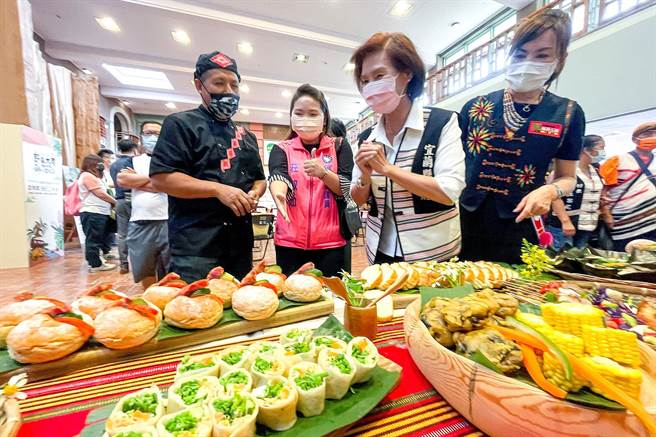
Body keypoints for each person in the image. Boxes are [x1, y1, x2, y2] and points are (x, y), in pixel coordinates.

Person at [458, 9, 585, 263]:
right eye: (521, 54)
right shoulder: (475, 107)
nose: (528, 62)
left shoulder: (567, 113)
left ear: (560, 59)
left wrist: (549, 191)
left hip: (521, 225)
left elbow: (568, 177)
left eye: (542, 55)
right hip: (465, 223)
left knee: (512, 293)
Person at [349, 32, 466, 264]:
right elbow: (358, 199)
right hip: (379, 251)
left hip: (433, 256)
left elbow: (449, 192)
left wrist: (388, 169)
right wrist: (364, 176)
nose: (371, 86)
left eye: (379, 75)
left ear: (407, 74)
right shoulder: (367, 137)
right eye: (365, 81)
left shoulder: (441, 123)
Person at [150, 51, 266, 281]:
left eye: (234, 85)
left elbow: (259, 178)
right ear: (199, 85)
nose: (229, 91)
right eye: (219, 83)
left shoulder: (247, 136)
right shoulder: (180, 124)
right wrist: (217, 189)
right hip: (196, 247)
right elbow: (161, 177)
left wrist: (254, 193)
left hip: (240, 244)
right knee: (198, 308)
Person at [268, 84, 354, 276]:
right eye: (299, 113)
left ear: (324, 119)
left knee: (333, 299)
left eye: (313, 114)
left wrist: (323, 173)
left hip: (331, 243)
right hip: (290, 243)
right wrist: (280, 192)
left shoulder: (339, 146)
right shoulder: (281, 148)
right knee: (292, 298)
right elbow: (278, 174)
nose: (305, 119)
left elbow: (347, 188)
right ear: (291, 117)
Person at [118, 121, 169, 288]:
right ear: (141, 137)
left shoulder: (173, 161)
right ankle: (150, 300)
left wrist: (138, 180)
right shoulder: (133, 161)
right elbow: (123, 179)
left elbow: (175, 185)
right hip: (141, 221)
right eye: (148, 133)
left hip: (169, 220)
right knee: (144, 267)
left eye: (156, 133)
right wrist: (161, 180)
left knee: (171, 270)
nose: (152, 137)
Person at [599, 122, 656, 252]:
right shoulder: (617, 160)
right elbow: (602, 192)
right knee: (629, 257)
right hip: (625, 222)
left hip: (653, 220)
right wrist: (606, 214)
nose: (653, 137)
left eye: (655, 134)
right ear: (635, 139)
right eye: (647, 134)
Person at [547, 135, 605, 251]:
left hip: (587, 225)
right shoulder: (565, 171)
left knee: (579, 259)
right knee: (560, 258)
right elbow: (554, 197)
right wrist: (565, 221)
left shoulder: (595, 171)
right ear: (586, 150)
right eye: (601, 148)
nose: (603, 152)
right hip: (564, 225)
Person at [78, 154, 117, 272]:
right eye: (99, 163)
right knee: (93, 239)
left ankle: (97, 261)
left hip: (99, 212)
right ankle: (95, 264)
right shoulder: (87, 176)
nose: (102, 166)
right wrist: (114, 202)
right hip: (92, 212)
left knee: (97, 238)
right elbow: (99, 193)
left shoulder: (94, 176)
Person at [110, 139, 138, 274]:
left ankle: (124, 264)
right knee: (139, 231)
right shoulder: (134, 162)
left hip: (119, 200)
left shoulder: (113, 165)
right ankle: (139, 263)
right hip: (134, 198)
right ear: (134, 148)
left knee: (122, 233)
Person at [330, 118, 354, 273]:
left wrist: (323, 174)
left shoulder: (341, 146)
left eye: (328, 134)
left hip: (338, 218)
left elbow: (346, 185)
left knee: (339, 272)